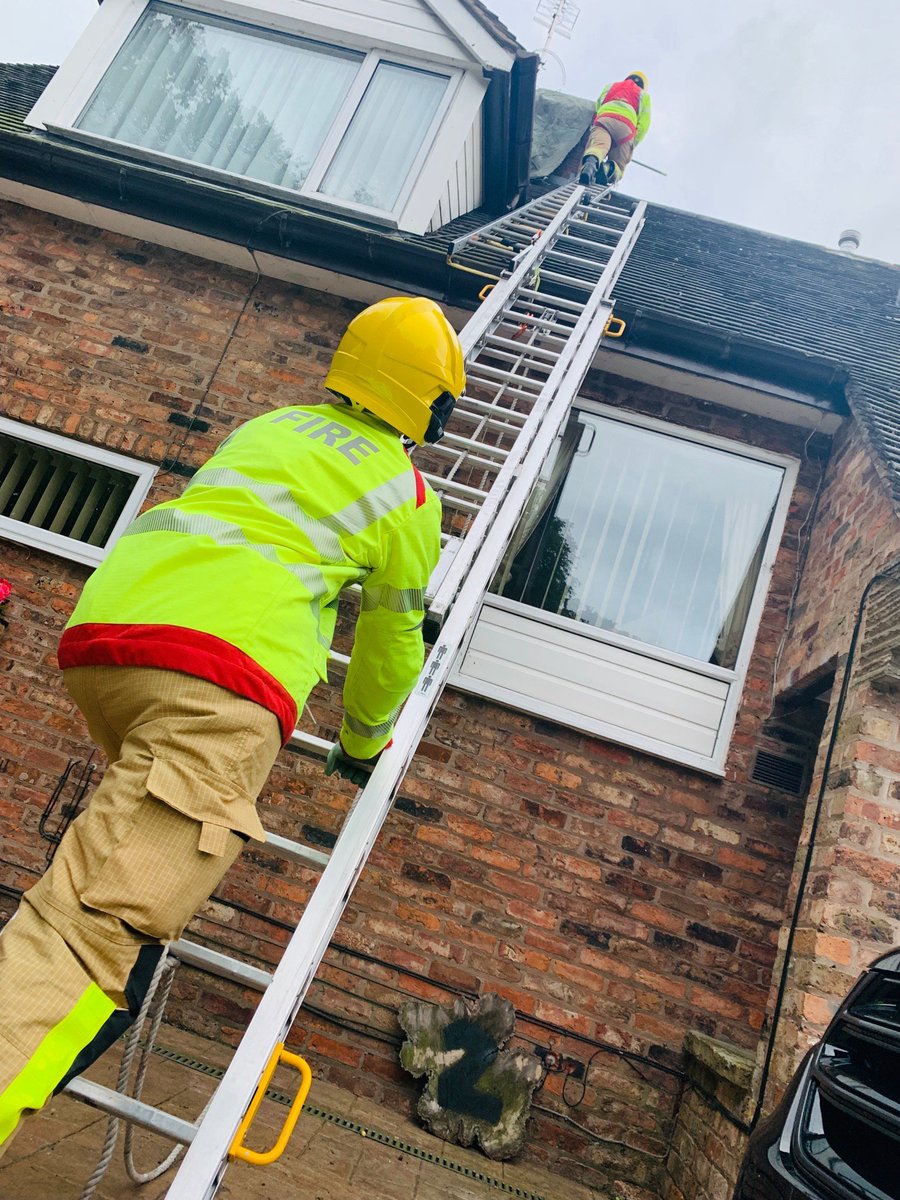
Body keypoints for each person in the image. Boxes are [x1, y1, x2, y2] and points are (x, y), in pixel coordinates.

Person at [0, 295, 465, 1153]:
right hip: (217, 689)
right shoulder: (405, 494)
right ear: (430, 402)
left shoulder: (273, 425)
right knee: (89, 941)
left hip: (114, 647)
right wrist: (361, 746)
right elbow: (391, 645)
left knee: (104, 903)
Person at [579, 71, 651, 187]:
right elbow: (643, 125)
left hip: (605, 119)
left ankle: (590, 165)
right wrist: (631, 143)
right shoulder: (644, 95)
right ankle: (608, 170)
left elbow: (599, 105)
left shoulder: (610, 86)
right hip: (627, 126)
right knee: (619, 165)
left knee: (598, 147)